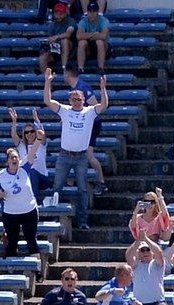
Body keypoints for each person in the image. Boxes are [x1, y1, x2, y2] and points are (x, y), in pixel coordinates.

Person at [44, 71, 108, 231]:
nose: (77, 102)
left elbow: (104, 105)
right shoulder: (65, 110)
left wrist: (102, 88)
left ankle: (82, 220)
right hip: (65, 155)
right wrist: (47, 82)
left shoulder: (89, 112)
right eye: (74, 99)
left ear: (84, 100)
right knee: (57, 186)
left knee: (83, 189)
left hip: (81, 156)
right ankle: (53, 216)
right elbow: (47, 100)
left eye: (79, 99)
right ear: (69, 100)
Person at [0, 146, 39, 259]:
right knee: (12, 242)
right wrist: (0, 195)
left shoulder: (24, 169)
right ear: (7, 161)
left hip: (29, 211)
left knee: (31, 240)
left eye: (16, 157)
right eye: (12, 157)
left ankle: (38, 272)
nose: (14, 160)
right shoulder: (1, 176)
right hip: (10, 214)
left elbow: (32, 152)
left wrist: (39, 139)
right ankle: (11, 272)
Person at [123, 233, 169, 305]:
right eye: (142, 250)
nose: (145, 252)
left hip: (157, 303)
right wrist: (138, 241)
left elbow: (159, 253)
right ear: (138, 253)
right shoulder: (134, 265)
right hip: (137, 303)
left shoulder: (157, 264)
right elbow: (128, 255)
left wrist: (146, 239)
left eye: (148, 250)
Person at [38, 2, 76, 76]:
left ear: (65, 13)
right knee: (42, 58)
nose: (59, 16)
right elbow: (50, 38)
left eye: (61, 14)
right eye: (57, 14)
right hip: (56, 50)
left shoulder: (70, 21)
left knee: (64, 40)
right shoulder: (53, 25)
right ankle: (48, 81)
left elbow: (68, 34)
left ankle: (64, 68)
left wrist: (56, 37)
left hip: (70, 50)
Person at [74, 0, 110, 73]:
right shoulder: (83, 21)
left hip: (104, 47)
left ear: (97, 12)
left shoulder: (104, 21)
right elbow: (78, 36)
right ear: (87, 12)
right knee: (81, 42)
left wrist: (87, 35)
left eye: (94, 11)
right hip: (89, 47)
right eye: (90, 11)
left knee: (99, 42)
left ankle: (101, 68)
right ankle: (80, 68)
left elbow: (103, 36)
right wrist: (95, 34)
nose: (92, 13)